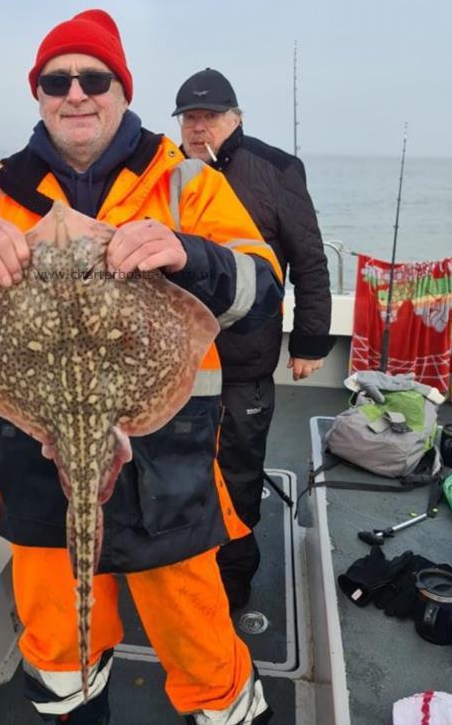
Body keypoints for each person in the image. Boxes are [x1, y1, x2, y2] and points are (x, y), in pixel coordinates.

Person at [0, 13, 283, 725]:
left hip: (169, 467)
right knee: (60, 649)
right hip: (39, 459)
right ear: (38, 96)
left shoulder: (186, 184)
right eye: (56, 81)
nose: (76, 93)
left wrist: (189, 254)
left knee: (200, 642)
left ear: (123, 89)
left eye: (95, 78)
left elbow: (262, 285)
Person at [173, 67, 333, 613]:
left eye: (210, 117)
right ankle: (178, 571)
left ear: (235, 118)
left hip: (244, 361)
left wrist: (310, 341)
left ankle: (232, 581)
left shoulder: (277, 169)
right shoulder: (164, 174)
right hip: (176, 363)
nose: (199, 129)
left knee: (237, 472)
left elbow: (310, 261)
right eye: (190, 119)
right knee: (175, 470)